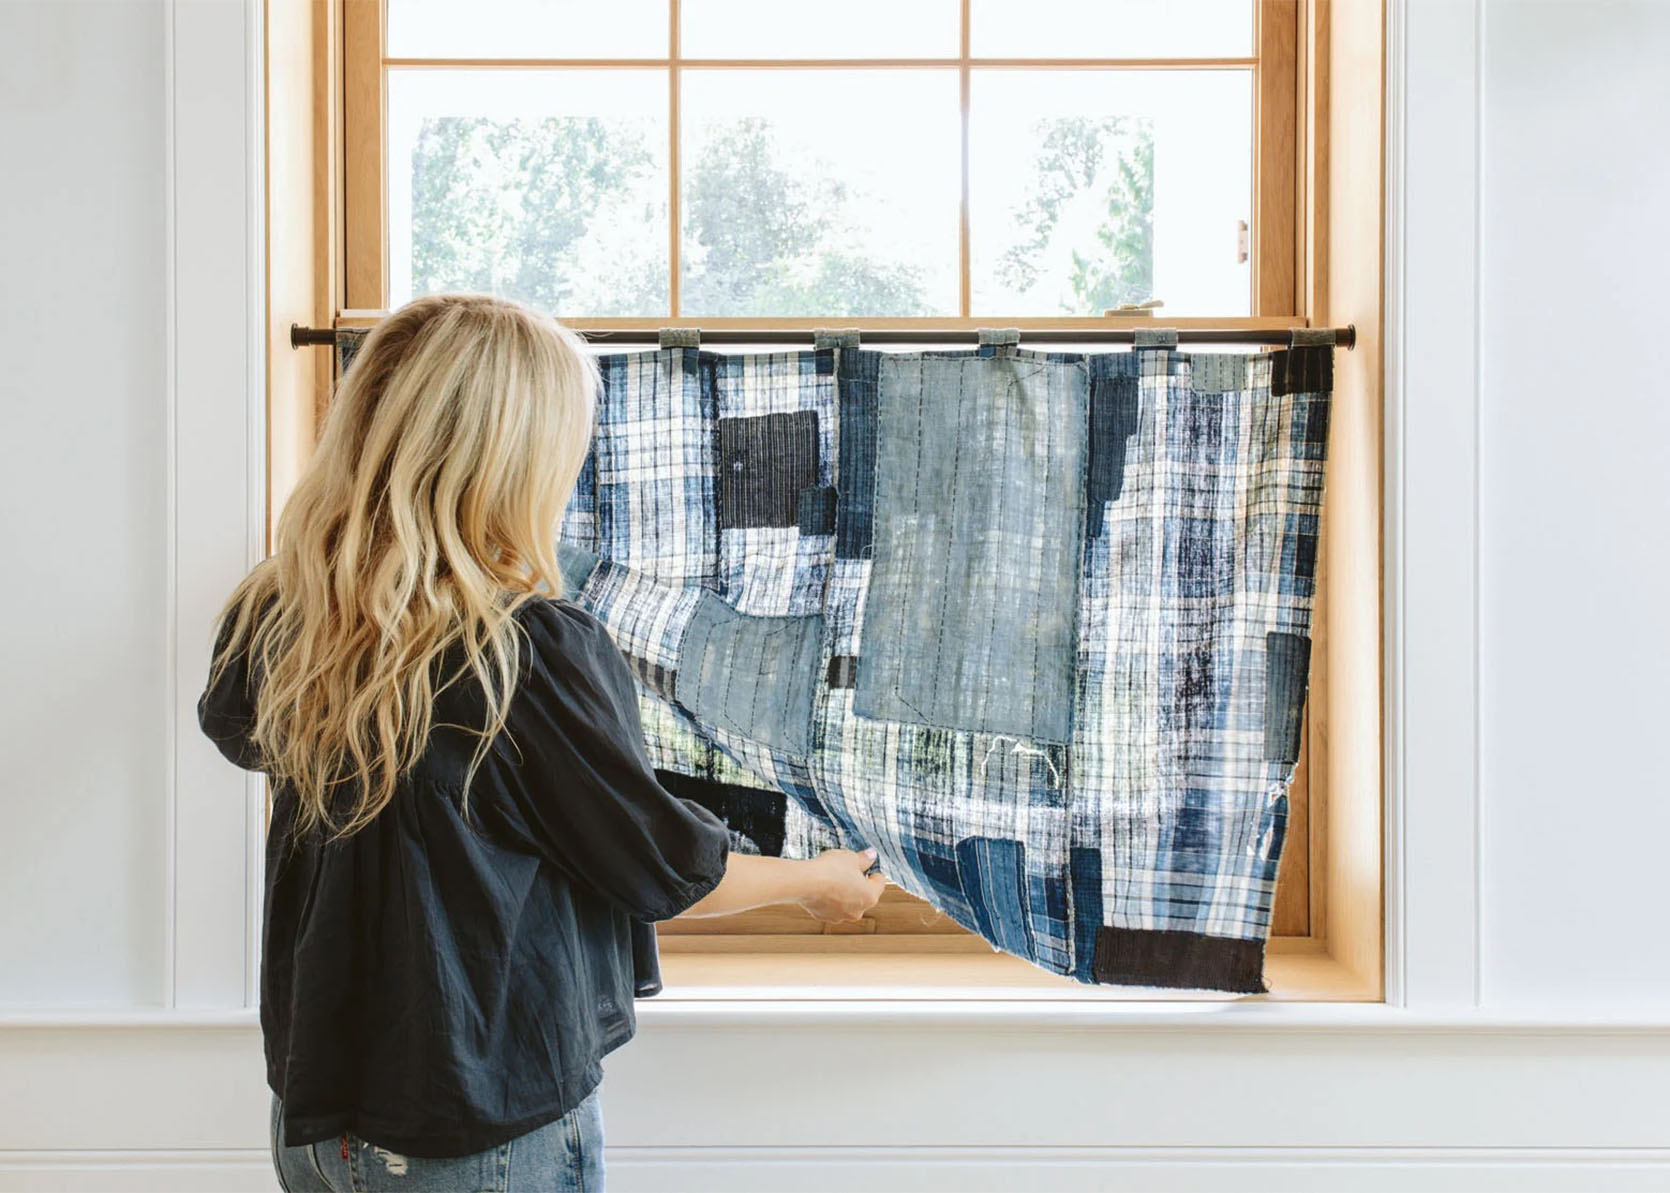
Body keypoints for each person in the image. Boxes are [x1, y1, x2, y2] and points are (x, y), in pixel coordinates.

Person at [196, 293, 886, 1192]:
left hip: (316, 1122)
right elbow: (659, 867)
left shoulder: (283, 613)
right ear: (512, 456)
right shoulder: (522, 650)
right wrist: (815, 882)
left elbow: (251, 736)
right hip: (471, 1132)